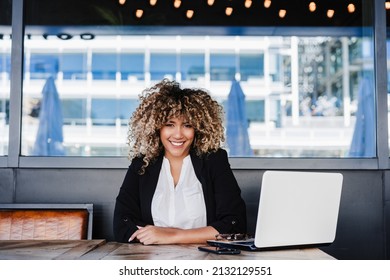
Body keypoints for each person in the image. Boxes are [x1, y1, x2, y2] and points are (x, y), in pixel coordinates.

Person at [113, 79, 247, 245]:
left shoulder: (214, 160)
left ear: (198, 128)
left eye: (187, 125)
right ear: (157, 128)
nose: (178, 135)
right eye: (169, 124)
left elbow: (235, 224)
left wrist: (171, 236)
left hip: (204, 259)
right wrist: (154, 237)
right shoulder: (142, 164)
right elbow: (122, 224)